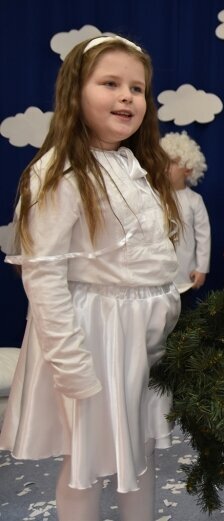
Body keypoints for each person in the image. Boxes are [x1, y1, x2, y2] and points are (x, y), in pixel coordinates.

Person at [0, 35, 181, 521]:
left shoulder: (135, 165)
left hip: (140, 334)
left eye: (137, 88)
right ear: (75, 94)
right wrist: (71, 362)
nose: (127, 97)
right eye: (110, 84)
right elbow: (42, 274)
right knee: (85, 460)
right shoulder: (60, 172)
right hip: (95, 333)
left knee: (140, 455)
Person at [161, 131, 211, 304]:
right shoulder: (154, 196)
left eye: (173, 162)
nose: (165, 166)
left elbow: (203, 236)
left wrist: (202, 268)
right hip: (157, 275)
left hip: (185, 274)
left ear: (188, 169)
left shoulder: (194, 200)